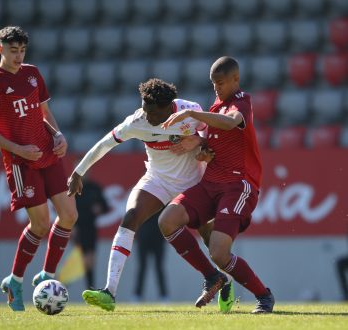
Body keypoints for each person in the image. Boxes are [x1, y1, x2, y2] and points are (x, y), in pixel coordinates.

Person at [67, 78, 228, 311]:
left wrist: (200, 140)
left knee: (210, 240)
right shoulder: (137, 121)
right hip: (157, 180)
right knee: (130, 216)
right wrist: (78, 172)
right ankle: (109, 292)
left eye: (152, 112)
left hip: (192, 183)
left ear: (168, 108)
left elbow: (216, 135)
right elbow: (104, 144)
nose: (146, 115)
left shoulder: (189, 110)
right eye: (144, 107)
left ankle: (223, 281)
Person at [159, 56, 275, 313]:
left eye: (220, 83)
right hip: (210, 183)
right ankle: (213, 277)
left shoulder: (243, 101)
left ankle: (264, 296)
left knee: (220, 253)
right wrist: (201, 148)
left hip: (238, 185)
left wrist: (190, 113)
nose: (217, 88)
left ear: (236, 79)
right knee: (167, 220)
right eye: (213, 84)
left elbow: (232, 122)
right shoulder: (214, 108)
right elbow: (212, 144)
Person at [0, 26, 78, 311]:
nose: (18, 56)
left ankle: (46, 276)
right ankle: (15, 281)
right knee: (40, 224)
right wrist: (18, 149)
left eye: (22, 51)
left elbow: (44, 113)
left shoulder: (33, 73)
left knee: (69, 215)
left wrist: (58, 135)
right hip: (22, 162)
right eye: (13, 51)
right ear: (0, 49)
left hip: (48, 153)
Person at [73, 176, 110, 289]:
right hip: (78, 229)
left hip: (91, 228)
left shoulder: (94, 188)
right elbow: (67, 209)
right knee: (81, 261)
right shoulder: (72, 187)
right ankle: (62, 282)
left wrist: (100, 208)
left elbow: (105, 206)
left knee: (90, 261)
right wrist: (72, 228)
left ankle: (90, 288)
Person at [133, 210, 168, 302]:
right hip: (143, 237)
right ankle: (137, 295)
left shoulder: (163, 199)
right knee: (142, 267)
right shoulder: (142, 198)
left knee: (159, 267)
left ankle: (163, 295)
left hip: (158, 237)